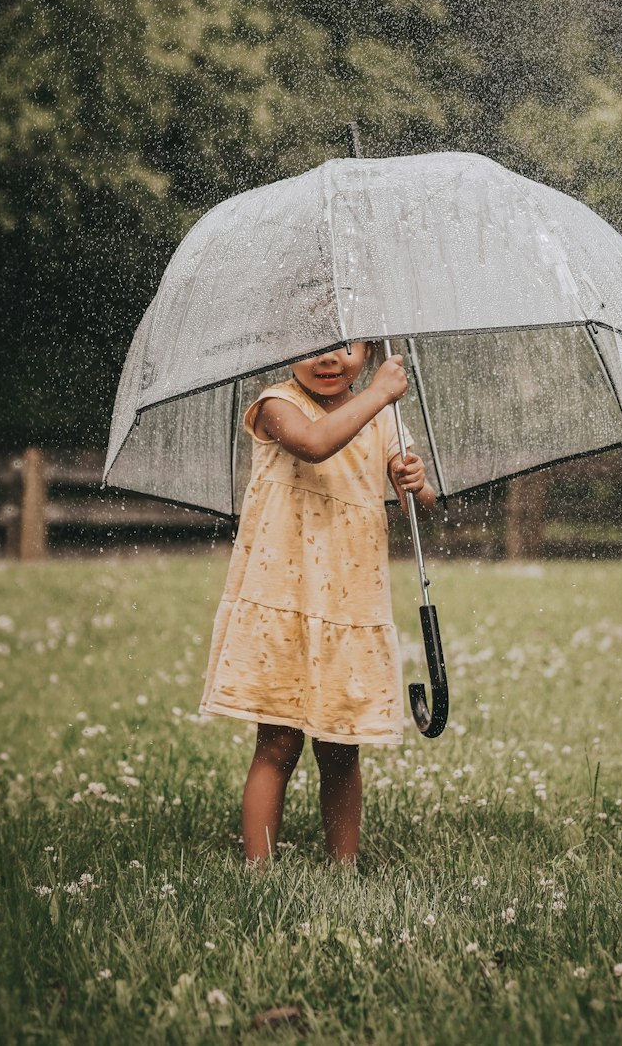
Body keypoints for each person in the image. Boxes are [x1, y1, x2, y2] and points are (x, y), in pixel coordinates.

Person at [200, 342, 436, 865]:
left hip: (348, 602)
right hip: (284, 598)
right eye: (311, 347)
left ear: (370, 349)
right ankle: (258, 870)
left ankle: (342, 868)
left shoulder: (383, 416)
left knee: (340, 746)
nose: (329, 359)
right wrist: (378, 392)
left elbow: (419, 499)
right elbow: (313, 443)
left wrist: (415, 484)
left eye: (346, 347)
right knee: (278, 742)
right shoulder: (277, 405)